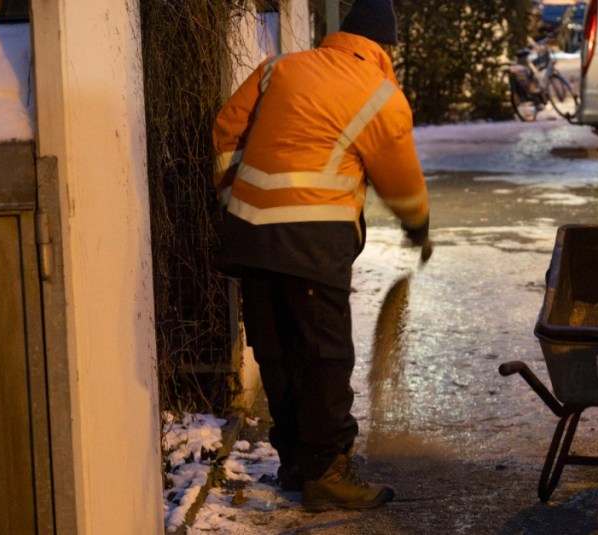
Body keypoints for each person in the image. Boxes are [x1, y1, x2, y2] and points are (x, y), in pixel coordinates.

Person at [211, 0, 430, 512]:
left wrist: (232, 195)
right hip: (312, 243)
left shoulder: (278, 68)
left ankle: (296, 464)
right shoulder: (380, 95)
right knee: (325, 358)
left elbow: (226, 129)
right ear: (383, 48)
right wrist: (418, 225)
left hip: (248, 237)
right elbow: (398, 177)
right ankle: (328, 474)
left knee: (279, 353)